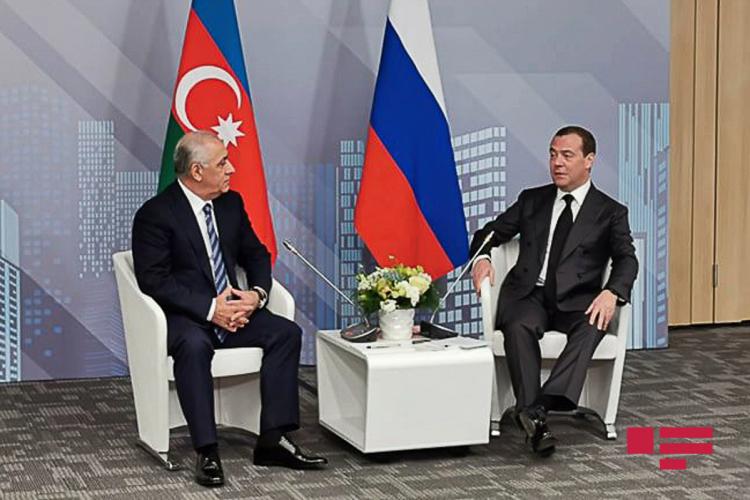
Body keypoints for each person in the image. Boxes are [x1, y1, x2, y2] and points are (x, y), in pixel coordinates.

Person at [132, 131, 327, 487]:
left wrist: (257, 295)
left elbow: (256, 254)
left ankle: (273, 440)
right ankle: (207, 451)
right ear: (196, 171)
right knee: (194, 346)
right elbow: (154, 281)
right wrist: (211, 309)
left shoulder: (230, 204)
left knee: (286, 333)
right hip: (187, 317)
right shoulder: (156, 214)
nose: (231, 169)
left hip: (235, 310)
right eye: (222, 163)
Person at [470, 125, 638, 457]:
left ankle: (536, 409)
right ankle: (536, 417)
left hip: (578, 300)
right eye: (552, 154)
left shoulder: (610, 211)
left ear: (589, 160)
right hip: (529, 295)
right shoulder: (532, 200)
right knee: (518, 324)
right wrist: (483, 259)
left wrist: (611, 292)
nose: (557, 162)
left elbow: (626, 259)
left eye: (567, 155)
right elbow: (488, 234)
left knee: (595, 322)